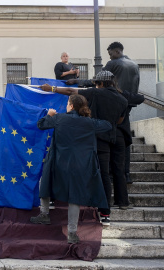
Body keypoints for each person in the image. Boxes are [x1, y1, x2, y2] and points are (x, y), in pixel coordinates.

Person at [39, 70, 128, 226]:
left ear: (100, 83)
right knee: (104, 176)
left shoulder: (96, 93)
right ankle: (105, 213)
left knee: (61, 166)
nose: (94, 85)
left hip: (89, 139)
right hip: (106, 138)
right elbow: (119, 120)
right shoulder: (122, 100)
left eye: (96, 83)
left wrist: (52, 89)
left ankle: (52, 200)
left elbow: (71, 91)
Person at [30, 95, 111, 244]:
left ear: (72, 106)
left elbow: (41, 125)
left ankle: (44, 214)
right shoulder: (89, 122)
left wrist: (49, 115)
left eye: (68, 103)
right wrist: (88, 119)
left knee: (45, 180)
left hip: (59, 162)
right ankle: (72, 233)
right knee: (74, 196)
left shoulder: (59, 118)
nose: (67, 106)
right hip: (80, 165)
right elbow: (107, 125)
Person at [103, 41, 141, 184]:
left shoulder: (113, 64)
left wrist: (78, 82)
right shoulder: (134, 64)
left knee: (112, 139)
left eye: (110, 53)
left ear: (117, 51)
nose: (110, 56)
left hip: (114, 105)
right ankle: (126, 173)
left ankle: (113, 172)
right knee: (125, 140)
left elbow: (98, 79)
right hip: (128, 104)